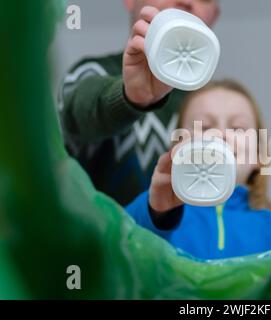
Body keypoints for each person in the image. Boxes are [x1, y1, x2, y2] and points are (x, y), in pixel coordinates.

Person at [126, 79, 271, 260]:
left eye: (237, 128)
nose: (221, 134)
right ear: (178, 147)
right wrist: (158, 213)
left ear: (259, 155)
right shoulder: (153, 212)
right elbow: (117, 249)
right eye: (205, 127)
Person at [58, 1, 221, 205]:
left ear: (213, 15)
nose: (186, 1)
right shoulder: (92, 72)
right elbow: (77, 113)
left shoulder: (221, 107)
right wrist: (130, 96)